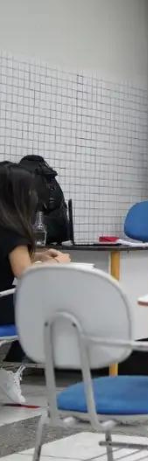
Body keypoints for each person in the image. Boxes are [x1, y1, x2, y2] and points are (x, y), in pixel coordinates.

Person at [0, 161, 70, 403]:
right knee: (47, 310)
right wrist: (59, 262)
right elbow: (25, 273)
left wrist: (39, 255)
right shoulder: (11, 229)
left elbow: (7, 258)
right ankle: (9, 372)